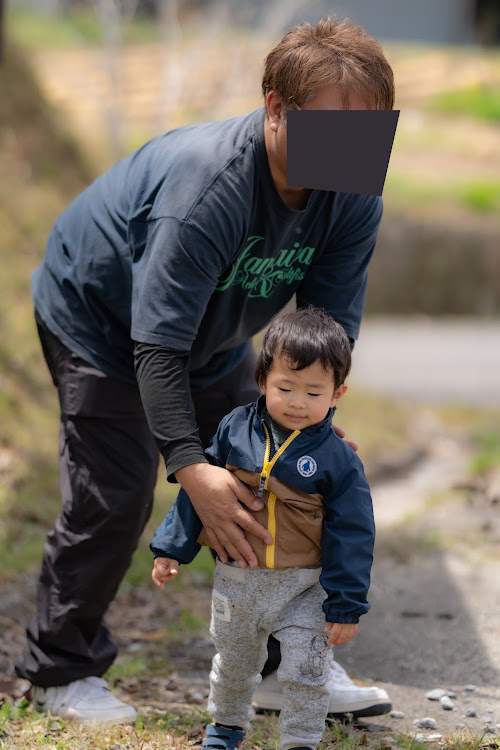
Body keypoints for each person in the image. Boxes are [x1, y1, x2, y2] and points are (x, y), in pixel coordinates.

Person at [16, 17, 394, 724]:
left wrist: (316, 433)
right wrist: (191, 466)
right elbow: (155, 346)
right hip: (100, 319)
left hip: (215, 336)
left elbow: (326, 332)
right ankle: (57, 669)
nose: (351, 149)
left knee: (284, 469)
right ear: (276, 110)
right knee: (118, 492)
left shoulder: (353, 193)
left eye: (366, 130)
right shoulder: (207, 187)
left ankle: (288, 664)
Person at [151, 308, 376, 750]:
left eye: (314, 392)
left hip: (303, 588)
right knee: (233, 665)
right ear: (262, 380)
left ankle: (299, 741)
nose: (297, 402)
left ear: (337, 394)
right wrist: (170, 548)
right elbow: (200, 495)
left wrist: (346, 604)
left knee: (306, 670)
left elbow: (354, 532)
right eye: (285, 387)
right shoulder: (235, 429)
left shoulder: (338, 460)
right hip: (238, 582)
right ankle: (226, 728)